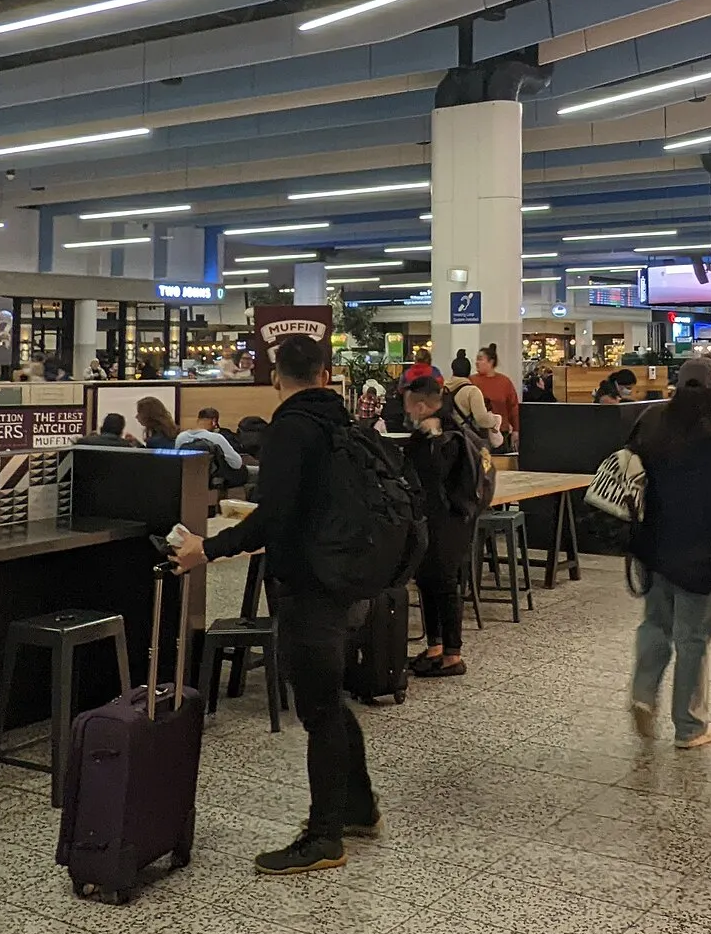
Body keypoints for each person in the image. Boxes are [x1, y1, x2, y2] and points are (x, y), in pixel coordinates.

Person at [170, 335, 380, 876]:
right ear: (325, 373)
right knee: (329, 698)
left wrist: (207, 549)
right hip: (349, 575)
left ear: (275, 376)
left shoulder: (291, 428)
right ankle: (358, 807)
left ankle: (325, 837)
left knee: (318, 709)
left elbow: (273, 515)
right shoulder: (343, 422)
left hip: (310, 582)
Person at [629, 385, 711, 751]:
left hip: (657, 554)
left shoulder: (656, 443)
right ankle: (689, 726)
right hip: (701, 563)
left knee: (655, 624)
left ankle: (643, 692)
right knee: (692, 639)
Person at [399, 376, 480, 680]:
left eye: (409, 406)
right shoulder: (426, 432)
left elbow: (436, 476)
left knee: (444, 583)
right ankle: (435, 647)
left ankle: (452, 655)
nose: (407, 412)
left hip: (449, 521)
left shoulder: (445, 434)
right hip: (431, 519)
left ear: (421, 405)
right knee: (426, 580)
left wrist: (432, 439)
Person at [465, 346, 520, 442]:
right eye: (477, 359)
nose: (477, 362)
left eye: (480, 359)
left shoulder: (504, 382)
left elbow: (513, 407)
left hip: (501, 431)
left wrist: (516, 429)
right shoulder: (471, 381)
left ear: (491, 362)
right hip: (477, 433)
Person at [175, 408, 247, 476]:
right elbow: (237, 463)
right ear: (214, 422)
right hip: (213, 479)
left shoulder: (181, 437)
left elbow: (177, 462)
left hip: (185, 478)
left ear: (198, 420)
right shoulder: (217, 438)